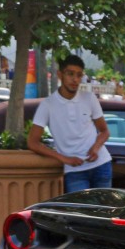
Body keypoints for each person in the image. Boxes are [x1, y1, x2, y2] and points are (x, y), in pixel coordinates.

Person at [26, 53, 112, 193]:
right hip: (74, 171)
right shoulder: (47, 105)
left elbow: (105, 131)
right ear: (60, 74)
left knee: (104, 213)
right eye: (70, 74)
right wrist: (64, 158)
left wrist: (96, 148)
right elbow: (32, 142)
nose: (75, 79)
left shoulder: (89, 98)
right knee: (80, 213)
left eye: (79, 75)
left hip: (101, 165)